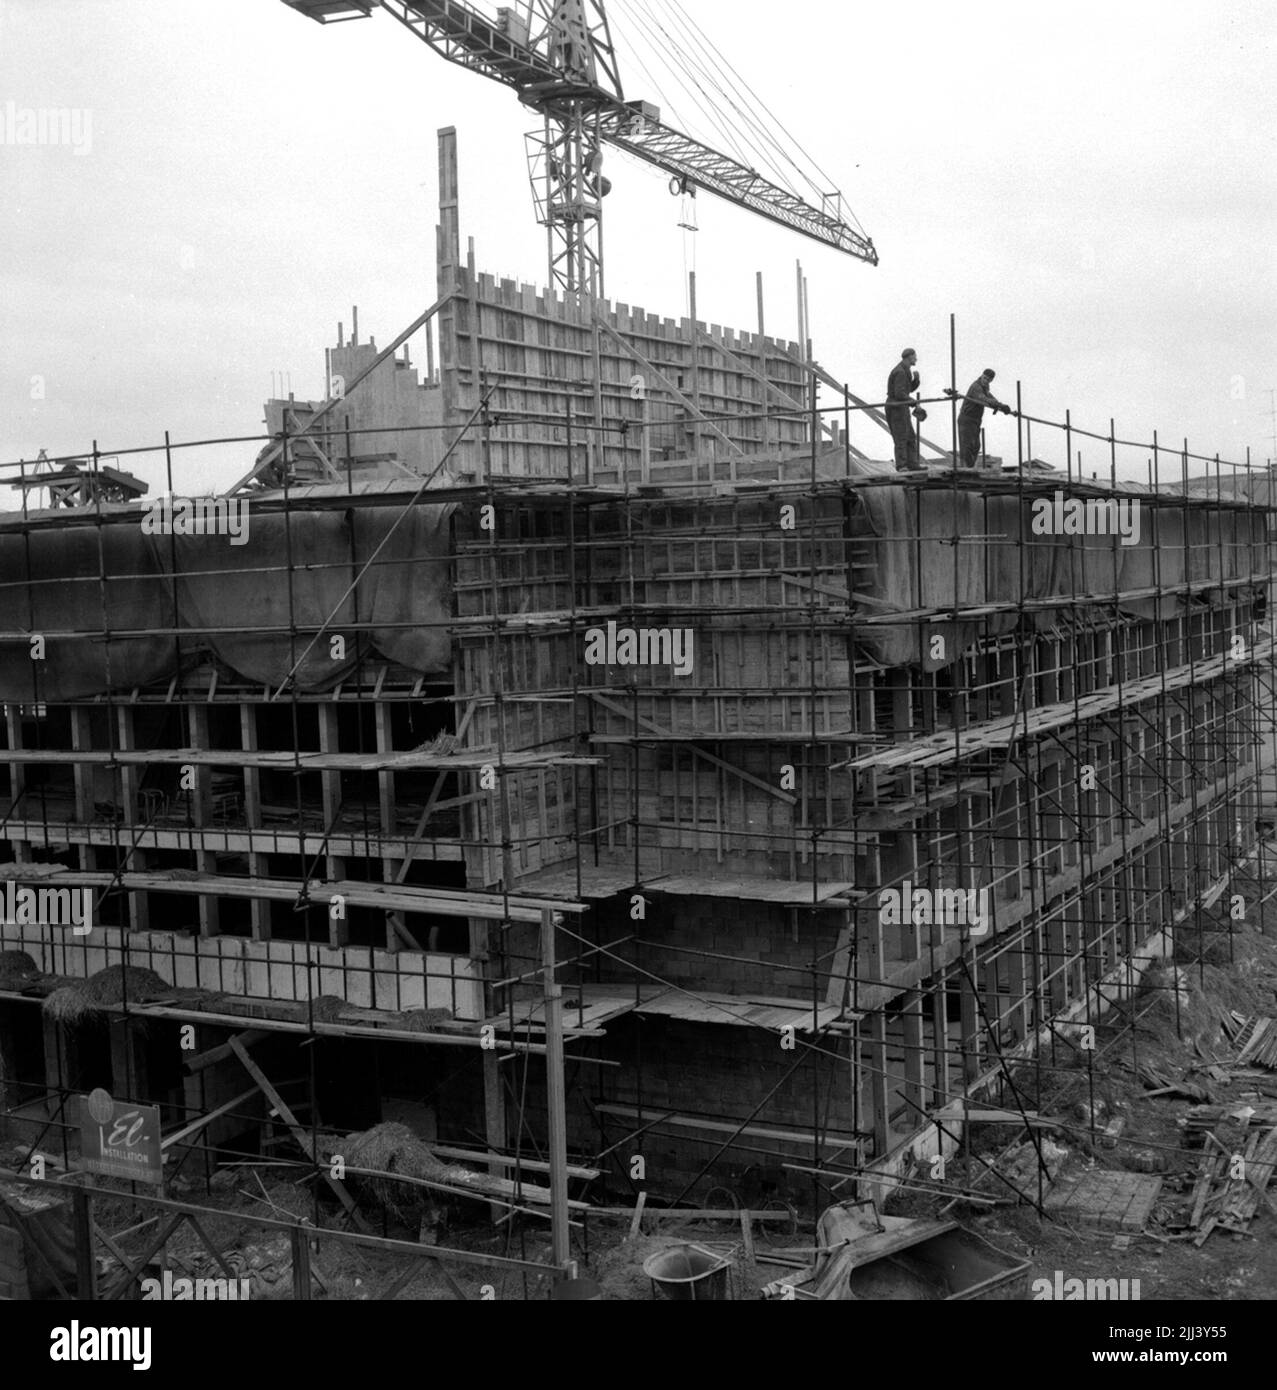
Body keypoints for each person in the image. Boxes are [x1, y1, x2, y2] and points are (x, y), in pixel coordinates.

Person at [953, 368, 1012, 468]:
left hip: (976, 420)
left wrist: (1000, 405)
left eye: (988, 380)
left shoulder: (985, 387)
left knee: (976, 446)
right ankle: (966, 468)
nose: (986, 381)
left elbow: (989, 397)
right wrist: (999, 405)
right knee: (967, 446)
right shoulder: (976, 386)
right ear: (982, 375)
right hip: (966, 419)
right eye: (985, 378)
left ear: (991, 381)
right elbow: (983, 398)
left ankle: (970, 467)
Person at [886, 348, 924, 471]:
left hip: (901, 407)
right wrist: (914, 402)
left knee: (910, 436)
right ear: (909, 357)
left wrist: (916, 380)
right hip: (896, 407)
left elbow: (907, 390)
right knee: (901, 436)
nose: (916, 359)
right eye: (915, 356)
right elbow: (899, 394)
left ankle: (912, 464)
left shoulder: (905, 370)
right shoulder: (900, 372)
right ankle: (902, 465)